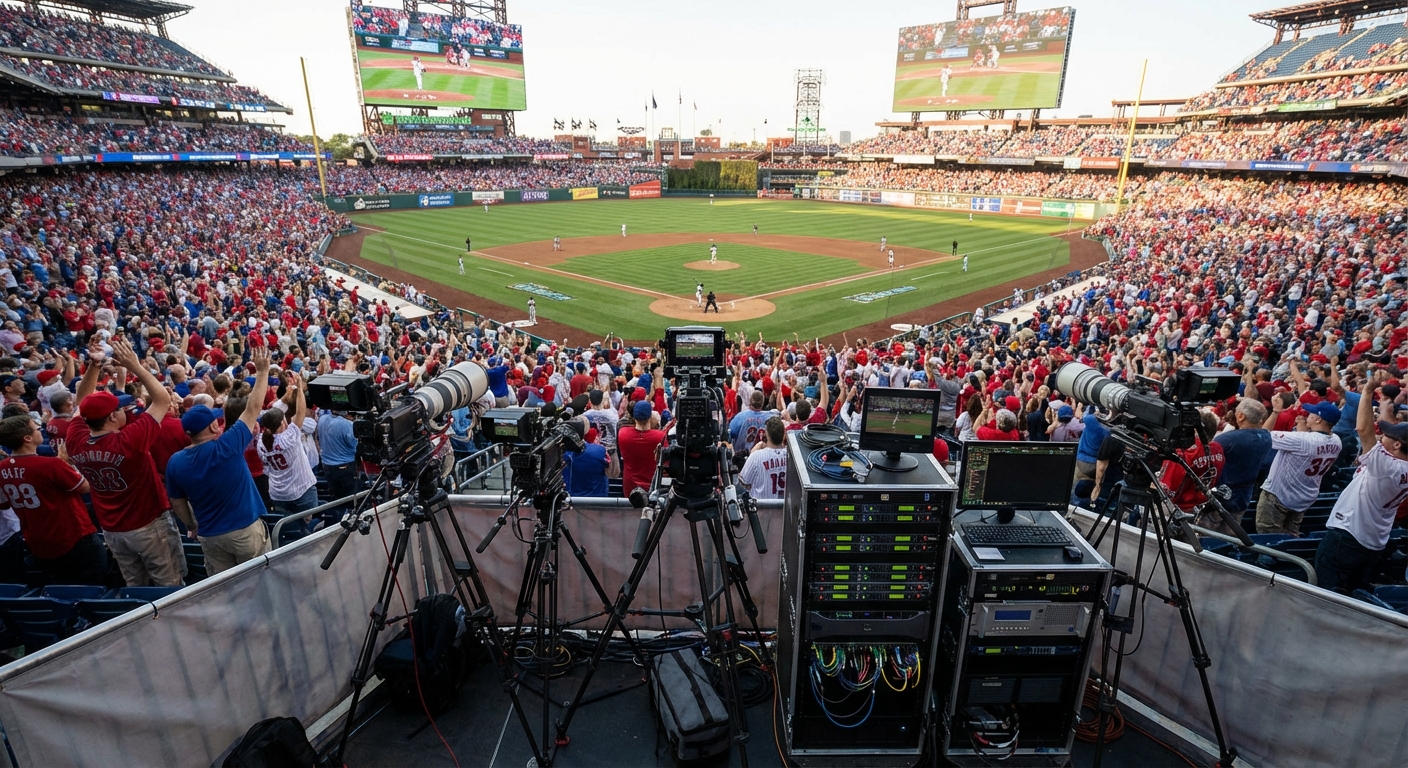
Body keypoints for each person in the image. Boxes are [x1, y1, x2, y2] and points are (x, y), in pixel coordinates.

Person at [68, 337, 184, 587]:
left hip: (112, 529)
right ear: (112, 417)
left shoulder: (75, 438)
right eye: (120, 409)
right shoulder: (129, 440)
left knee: (136, 587)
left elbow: (81, 402)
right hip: (148, 524)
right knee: (170, 585)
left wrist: (94, 366)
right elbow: (163, 400)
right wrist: (135, 366)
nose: (124, 410)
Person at [166, 345, 273, 576]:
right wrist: (262, 372)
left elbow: (177, 501)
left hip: (210, 536)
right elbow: (253, 407)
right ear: (213, 425)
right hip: (244, 531)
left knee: (226, 588)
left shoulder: (175, 461)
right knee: (260, 578)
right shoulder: (228, 445)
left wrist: (191, 526)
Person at [1316, 370, 1408, 593]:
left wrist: (1367, 391)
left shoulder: (1388, 466)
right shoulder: (1395, 464)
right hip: (1374, 538)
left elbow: (1364, 430)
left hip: (1350, 535)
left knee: (1327, 591)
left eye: (1387, 435)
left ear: (1397, 445)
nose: (1381, 436)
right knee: (1355, 592)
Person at [0, 415, 106, 585]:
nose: (40, 429)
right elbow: (85, 487)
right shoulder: (51, 465)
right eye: (36, 428)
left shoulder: (2, 468)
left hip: (38, 542)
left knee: (60, 589)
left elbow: (3, 503)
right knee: (92, 588)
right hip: (73, 537)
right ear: (27, 438)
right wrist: (66, 464)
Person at [1256, 401, 1342, 535]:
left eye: (1311, 414)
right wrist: (1302, 429)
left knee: (1268, 536)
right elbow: (1309, 443)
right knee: (1291, 534)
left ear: (1318, 419)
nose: (1307, 415)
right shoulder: (1337, 440)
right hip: (1304, 496)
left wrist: (1275, 412)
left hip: (1280, 494)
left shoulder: (1301, 439)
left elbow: (1262, 435)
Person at [257, 372, 318, 536]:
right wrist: (298, 388)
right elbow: (299, 412)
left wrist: (287, 395)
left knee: (289, 530)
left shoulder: (261, 442)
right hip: (301, 489)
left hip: (278, 492)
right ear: (283, 422)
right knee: (308, 527)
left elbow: (272, 413)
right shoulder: (289, 437)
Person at [1212, 398, 1273, 516]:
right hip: (1244, 496)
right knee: (1232, 532)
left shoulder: (1227, 439)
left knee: (1210, 531)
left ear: (1240, 416)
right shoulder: (1267, 437)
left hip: (1220, 496)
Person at [318, 406, 360, 527]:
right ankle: (349, 524)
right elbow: (355, 444)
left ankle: (337, 523)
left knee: (336, 499)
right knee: (350, 500)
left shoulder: (322, 419)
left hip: (327, 467)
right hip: (345, 467)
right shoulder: (346, 425)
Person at [618, 400, 665, 497]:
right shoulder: (660, 436)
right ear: (650, 417)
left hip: (630, 486)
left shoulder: (623, 433)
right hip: (653, 486)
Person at [739, 417, 788, 500]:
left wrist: (752, 453)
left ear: (766, 434)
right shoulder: (792, 455)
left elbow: (744, 482)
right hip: (786, 510)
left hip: (762, 510)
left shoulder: (756, 456)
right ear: (783, 436)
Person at [562, 419, 608, 497]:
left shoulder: (561, 453)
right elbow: (611, 473)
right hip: (597, 498)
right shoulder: (600, 450)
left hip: (570, 498)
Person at [729, 390, 778, 454]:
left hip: (743, 457)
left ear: (750, 401)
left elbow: (730, 433)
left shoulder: (740, 416)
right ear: (762, 403)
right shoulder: (770, 416)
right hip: (763, 455)